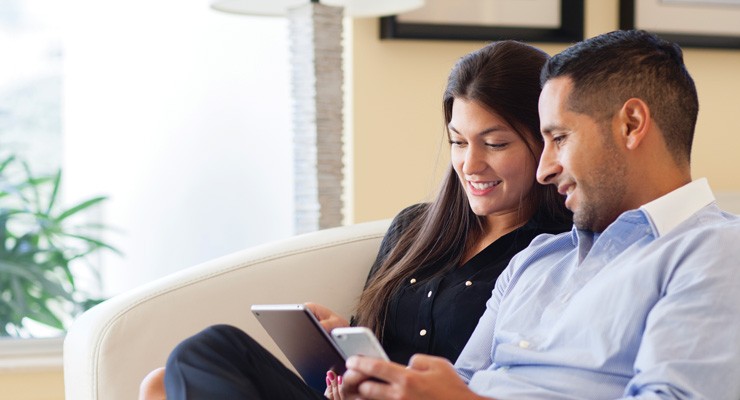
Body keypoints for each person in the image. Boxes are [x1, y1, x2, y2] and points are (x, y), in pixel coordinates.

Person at [140, 40, 572, 400]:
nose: (470, 164)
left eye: (495, 144)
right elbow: (370, 340)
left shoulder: (556, 252)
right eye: (458, 142)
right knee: (202, 354)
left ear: (545, 141)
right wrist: (340, 337)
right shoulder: (414, 230)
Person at [340, 29, 740, 400]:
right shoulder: (537, 259)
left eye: (560, 138)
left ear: (631, 125)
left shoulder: (716, 251)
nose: (544, 169)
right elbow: (459, 382)